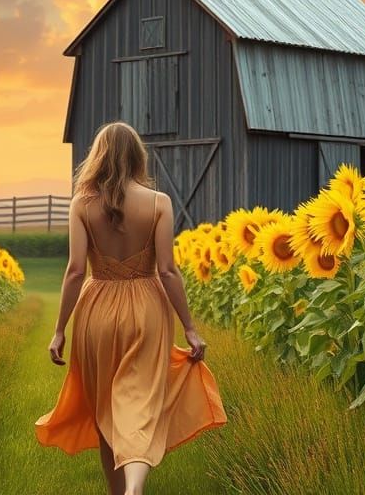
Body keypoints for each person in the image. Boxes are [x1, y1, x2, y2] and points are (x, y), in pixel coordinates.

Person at [34, 121, 227, 495]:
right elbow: (168, 271)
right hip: (147, 309)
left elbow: (75, 271)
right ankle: (134, 487)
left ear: (97, 158)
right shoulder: (159, 203)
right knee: (139, 404)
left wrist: (59, 330)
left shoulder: (81, 205)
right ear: (138, 157)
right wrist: (189, 327)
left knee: (106, 408)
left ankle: (118, 491)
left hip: (97, 310)